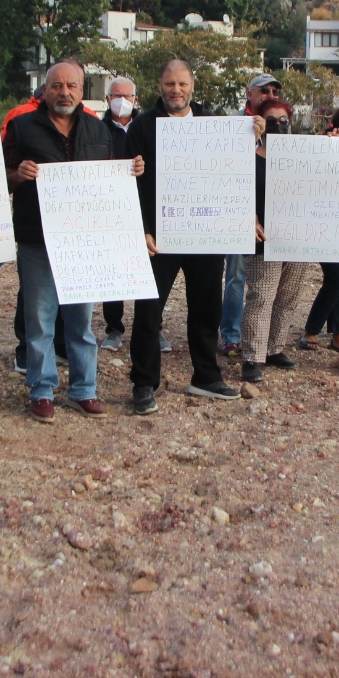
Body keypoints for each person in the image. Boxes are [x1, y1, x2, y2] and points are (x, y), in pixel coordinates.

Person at [5, 61, 142, 422]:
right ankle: (42, 389)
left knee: (81, 321)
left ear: (82, 92)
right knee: (40, 318)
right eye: (56, 85)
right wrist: (17, 175)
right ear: (45, 89)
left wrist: (131, 172)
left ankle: (83, 390)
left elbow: (111, 178)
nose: (63, 92)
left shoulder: (99, 131)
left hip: (84, 243)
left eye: (71, 86)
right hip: (36, 239)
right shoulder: (21, 127)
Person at [126, 59, 262, 413]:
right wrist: (142, 229)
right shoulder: (141, 126)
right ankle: (144, 383)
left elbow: (236, 174)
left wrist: (253, 135)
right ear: (159, 85)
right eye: (169, 83)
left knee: (206, 307)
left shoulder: (214, 125)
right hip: (159, 237)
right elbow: (128, 185)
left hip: (206, 234)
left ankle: (205, 376)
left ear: (192, 85)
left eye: (182, 84)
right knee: (148, 311)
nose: (176, 90)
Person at [238, 96, 306, 383]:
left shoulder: (304, 156)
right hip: (263, 237)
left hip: (298, 237)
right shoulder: (248, 156)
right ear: (261, 122)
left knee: (287, 296)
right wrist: (249, 217)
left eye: (284, 121)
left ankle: (275, 348)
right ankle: (251, 356)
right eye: (272, 121)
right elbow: (235, 189)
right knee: (261, 297)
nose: (278, 126)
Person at [219, 73, 284, 358]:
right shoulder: (233, 124)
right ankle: (231, 336)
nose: (270, 94)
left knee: (265, 285)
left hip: (272, 218)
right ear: (250, 93)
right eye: (265, 90)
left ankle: (262, 340)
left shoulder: (282, 123)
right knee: (236, 275)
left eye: (275, 91)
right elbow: (227, 167)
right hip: (239, 214)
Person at [299, 106, 339, 353]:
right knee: (335, 280)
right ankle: (310, 330)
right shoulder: (325, 144)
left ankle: (338, 333)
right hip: (324, 221)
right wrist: (333, 146)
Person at [100, 75, 139, 352]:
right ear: (107, 99)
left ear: (136, 100)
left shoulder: (147, 126)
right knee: (112, 270)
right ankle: (113, 327)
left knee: (146, 270)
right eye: (116, 95)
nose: (121, 101)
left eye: (127, 96)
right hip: (109, 209)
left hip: (142, 208)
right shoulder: (96, 129)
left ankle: (153, 325)